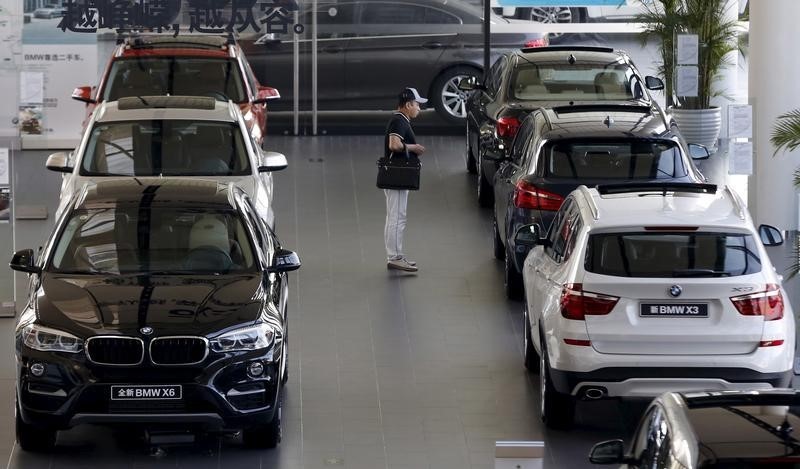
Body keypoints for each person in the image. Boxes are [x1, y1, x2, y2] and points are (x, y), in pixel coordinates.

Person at [383, 88, 427, 272]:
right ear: (408, 104)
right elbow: (394, 145)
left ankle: (394, 255)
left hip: (395, 175)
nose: (419, 108)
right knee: (397, 217)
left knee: (394, 216)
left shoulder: (400, 120)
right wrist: (414, 147)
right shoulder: (399, 121)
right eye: (417, 105)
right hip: (398, 175)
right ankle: (395, 257)